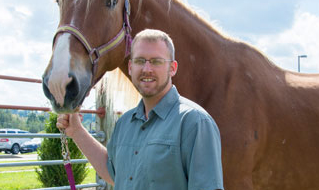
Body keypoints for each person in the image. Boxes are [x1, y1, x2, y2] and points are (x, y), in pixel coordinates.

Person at [57, 29, 224, 190]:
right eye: (140, 61)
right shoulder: (124, 123)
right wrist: (77, 132)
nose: (147, 69)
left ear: (172, 68)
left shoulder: (195, 123)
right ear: (130, 67)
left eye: (156, 61)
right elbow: (113, 173)